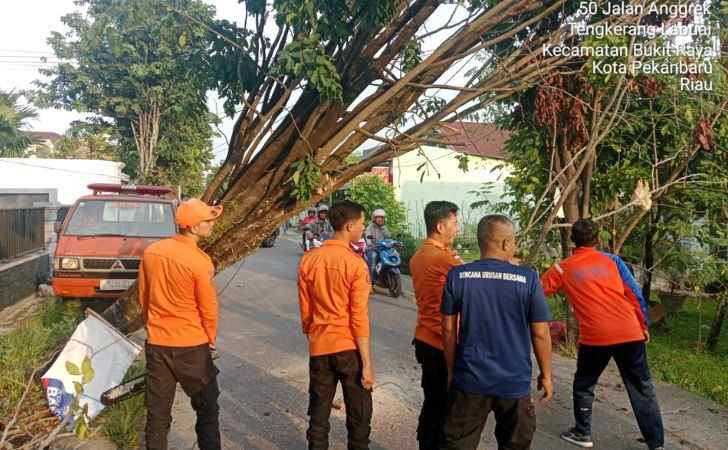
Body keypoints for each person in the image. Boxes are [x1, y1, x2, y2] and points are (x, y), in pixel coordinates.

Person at [541, 219, 664, 450]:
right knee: (642, 386)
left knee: (585, 384)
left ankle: (582, 433)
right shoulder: (613, 262)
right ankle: (656, 443)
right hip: (630, 330)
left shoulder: (562, 268)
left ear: (573, 240)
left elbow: (537, 291)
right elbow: (634, 294)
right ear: (598, 239)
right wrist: (643, 325)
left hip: (596, 336)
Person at [440, 214, 553, 450]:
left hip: (470, 379)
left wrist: (451, 370)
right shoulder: (528, 279)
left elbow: (449, 329)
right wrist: (546, 375)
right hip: (513, 382)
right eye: (513, 241)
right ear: (505, 243)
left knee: (457, 444)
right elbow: (540, 333)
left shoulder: (458, 276)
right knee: (515, 443)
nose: (514, 246)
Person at [138, 198, 223, 450]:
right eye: (208, 220)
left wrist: (152, 326)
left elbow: (144, 296)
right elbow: (208, 308)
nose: (212, 224)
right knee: (207, 410)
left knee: (157, 415)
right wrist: (210, 340)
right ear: (193, 227)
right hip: (192, 346)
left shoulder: (152, 252)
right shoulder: (199, 261)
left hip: (157, 345)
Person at [298, 200, 375, 450]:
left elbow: (306, 310)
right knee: (359, 415)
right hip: (349, 349)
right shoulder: (355, 265)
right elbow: (358, 317)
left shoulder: (309, 260)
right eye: (362, 224)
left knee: (318, 417)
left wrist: (315, 334)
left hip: (319, 347)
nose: (364, 228)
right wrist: (367, 364)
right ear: (350, 225)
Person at [408, 201, 462, 450]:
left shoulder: (421, 254)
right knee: (444, 406)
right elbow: (472, 280)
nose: (458, 229)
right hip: (441, 341)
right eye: (454, 224)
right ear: (440, 226)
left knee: (433, 403)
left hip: (426, 337)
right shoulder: (441, 258)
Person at [364, 208, 391, 282]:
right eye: (378, 217)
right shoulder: (370, 227)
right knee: (373, 257)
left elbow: (388, 236)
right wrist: (369, 243)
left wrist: (382, 228)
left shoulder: (384, 227)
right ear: (374, 218)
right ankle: (370, 282)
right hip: (372, 248)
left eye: (382, 217)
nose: (380, 219)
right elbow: (367, 236)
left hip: (382, 248)